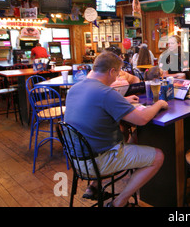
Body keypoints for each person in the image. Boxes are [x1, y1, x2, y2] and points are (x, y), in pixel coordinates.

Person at [63, 51, 168, 207]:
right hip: (98, 161)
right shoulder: (106, 93)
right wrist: (159, 103)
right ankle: (119, 202)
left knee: (130, 135)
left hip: (77, 160)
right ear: (111, 71)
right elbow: (142, 119)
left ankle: (94, 186)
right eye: (117, 74)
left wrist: (123, 100)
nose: (117, 78)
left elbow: (97, 104)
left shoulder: (75, 89)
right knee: (158, 156)